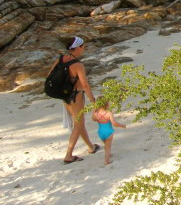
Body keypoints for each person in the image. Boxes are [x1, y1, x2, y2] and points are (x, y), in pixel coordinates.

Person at [53, 36, 101, 164]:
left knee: (79, 123)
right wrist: (93, 101)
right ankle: (69, 155)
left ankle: (91, 146)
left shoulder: (61, 59)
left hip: (65, 96)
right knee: (78, 124)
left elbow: (51, 75)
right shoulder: (77, 65)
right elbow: (85, 85)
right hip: (76, 96)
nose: (84, 48)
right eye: (83, 46)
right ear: (77, 48)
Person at [92, 100, 127, 165]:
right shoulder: (108, 113)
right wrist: (122, 126)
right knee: (108, 147)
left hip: (100, 132)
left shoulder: (96, 114)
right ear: (106, 105)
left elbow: (93, 119)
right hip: (108, 132)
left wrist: (94, 111)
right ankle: (106, 161)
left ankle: (108, 154)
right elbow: (114, 123)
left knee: (106, 145)